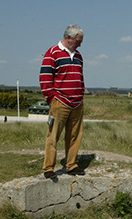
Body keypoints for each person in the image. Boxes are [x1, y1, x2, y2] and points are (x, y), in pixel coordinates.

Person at [40, 24, 85, 179]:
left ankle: (71, 165)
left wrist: (81, 94)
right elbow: (45, 79)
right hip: (60, 102)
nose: (80, 44)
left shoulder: (78, 56)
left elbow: (80, 77)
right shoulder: (52, 53)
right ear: (68, 38)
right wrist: (52, 99)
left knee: (74, 136)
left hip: (77, 103)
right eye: (78, 41)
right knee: (53, 136)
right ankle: (48, 168)